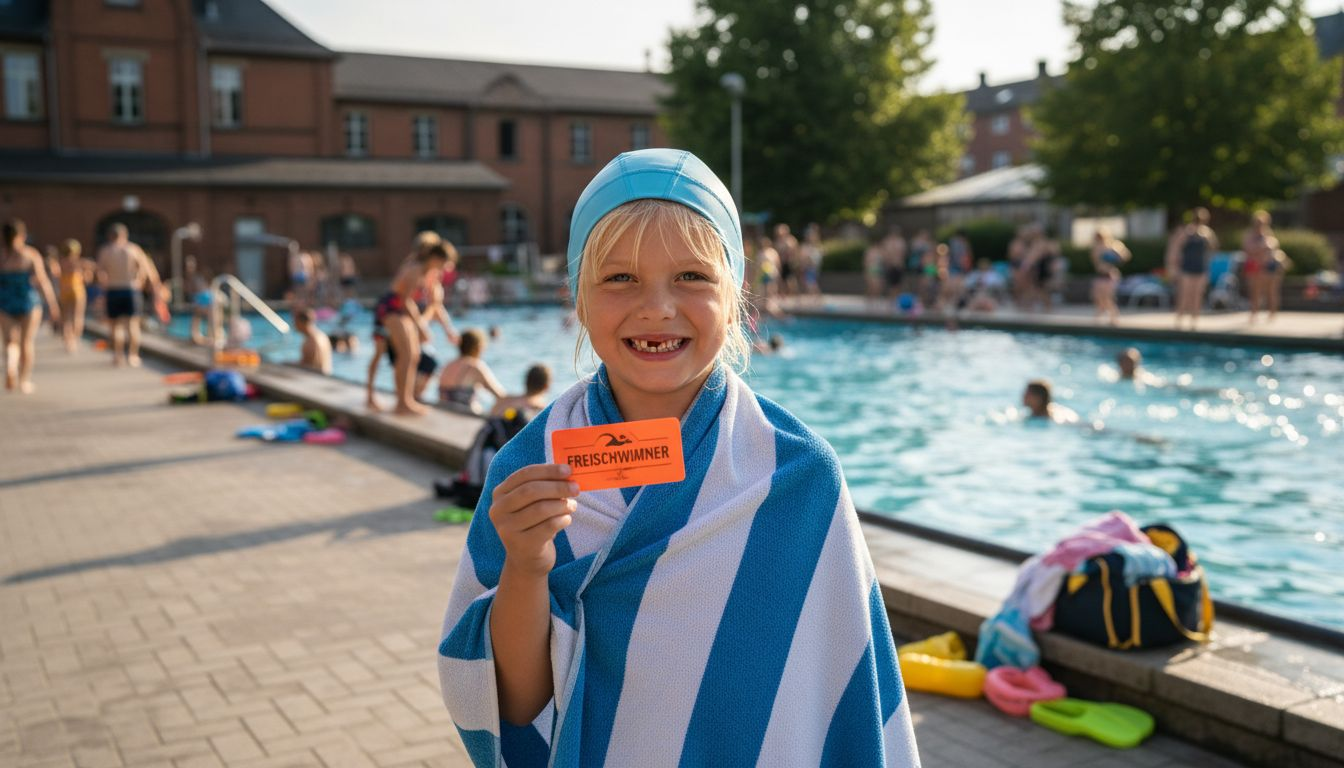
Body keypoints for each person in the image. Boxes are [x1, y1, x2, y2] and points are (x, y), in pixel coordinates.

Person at [437, 149, 919, 766]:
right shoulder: (528, 470)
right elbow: (517, 709)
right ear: (578, 301)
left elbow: (839, 693)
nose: (658, 307)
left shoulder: (797, 477)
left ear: (735, 293)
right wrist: (528, 566)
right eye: (619, 279)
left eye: (691, 277)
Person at [367, 236, 452, 414]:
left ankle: (404, 401)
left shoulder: (424, 272)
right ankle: (402, 402)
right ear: (436, 258)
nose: (445, 268)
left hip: (400, 312)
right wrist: (421, 327)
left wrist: (446, 329)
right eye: (444, 263)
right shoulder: (415, 269)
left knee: (412, 356)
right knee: (405, 355)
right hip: (391, 310)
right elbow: (404, 300)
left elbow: (434, 304)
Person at [1, 220, 60, 393]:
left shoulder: (2, 256)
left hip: (5, 301)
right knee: (26, 342)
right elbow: (42, 281)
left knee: (10, 342)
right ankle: (24, 381)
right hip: (28, 300)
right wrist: (53, 304)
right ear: (22, 236)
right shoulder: (30, 254)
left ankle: (11, 367)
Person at [96, 223, 162, 367]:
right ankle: (133, 356)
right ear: (125, 235)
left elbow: (100, 273)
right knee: (132, 325)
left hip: (113, 289)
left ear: (110, 236)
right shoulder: (133, 249)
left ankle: (118, 356)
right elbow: (146, 268)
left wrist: (104, 287)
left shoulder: (106, 251)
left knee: (115, 326)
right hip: (130, 289)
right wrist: (139, 281)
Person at [1167, 207, 1218, 329]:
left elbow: (1214, 248)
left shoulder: (1207, 233)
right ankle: (1179, 319)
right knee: (1184, 295)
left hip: (1200, 267)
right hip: (1187, 268)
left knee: (1197, 295)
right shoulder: (1186, 232)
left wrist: (1208, 240)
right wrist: (1173, 266)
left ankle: (1194, 321)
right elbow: (1175, 248)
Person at [436, 328, 506, 414]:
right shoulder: (475, 366)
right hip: (466, 416)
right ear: (479, 347)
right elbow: (500, 395)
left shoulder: (448, 365)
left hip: (444, 413)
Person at [1090, 228, 1131, 326]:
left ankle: (1113, 317)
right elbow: (1095, 261)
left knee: (1108, 297)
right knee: (1098, 297)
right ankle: (1100, 314)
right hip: (1100, 275)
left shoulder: (1113, 246)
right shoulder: (1096, 248)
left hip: (1109, 275)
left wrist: (1115, 255)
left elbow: (1125, 256)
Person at [54, 239, 87, 353]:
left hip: (64, 290)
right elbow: (87, 277)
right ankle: (75, 339)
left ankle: (68, 341)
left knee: (66, 318)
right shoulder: (78, 262)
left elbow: (56, 274)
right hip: (77, 290)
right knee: (77, 316)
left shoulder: (60, 262)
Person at [292, 307, 332, 375]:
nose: (294, 325)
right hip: (327, 376)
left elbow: (307, 366)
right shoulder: (322, 336)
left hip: (316, 379)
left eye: (295, 322)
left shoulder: (310, 342)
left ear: (301, 322)